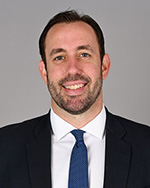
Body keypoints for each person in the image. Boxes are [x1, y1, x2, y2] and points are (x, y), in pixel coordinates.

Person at [0, 10, 150, 188]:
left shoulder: (146, 146)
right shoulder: (4, 148)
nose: (72, 69)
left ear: (104, 66)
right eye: (59, 57)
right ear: (44, 72)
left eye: (84, 54)